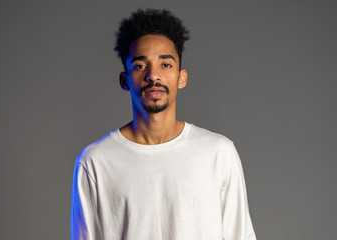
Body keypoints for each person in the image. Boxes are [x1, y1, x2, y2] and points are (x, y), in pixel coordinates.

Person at [71, 8, 257, 240]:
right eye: (140, 66)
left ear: (182, 77)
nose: (153, 76)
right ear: (124, 80)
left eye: (166, 65)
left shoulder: (218, 153)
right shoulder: (95, 162)